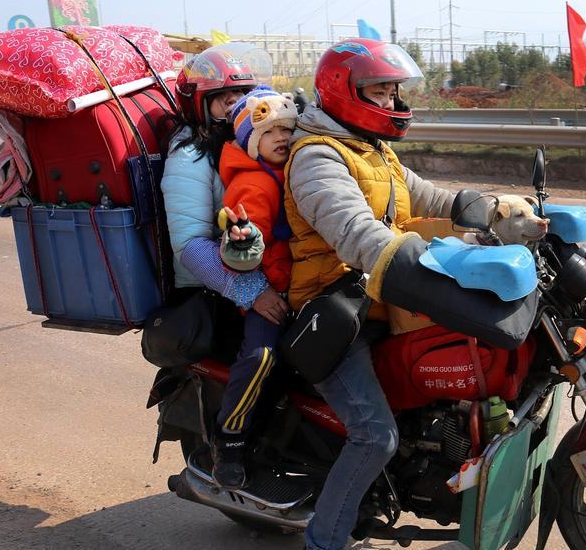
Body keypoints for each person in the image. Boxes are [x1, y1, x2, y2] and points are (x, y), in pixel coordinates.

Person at [284, 38, 458, 550]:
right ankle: (325, 541)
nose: (391, 103)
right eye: (379, 92)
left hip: (380, 297)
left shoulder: (373, 151)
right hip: (336, 311)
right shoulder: (316, 156)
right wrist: (421, 265)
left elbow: (429, 197)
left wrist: (490, 211)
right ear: (345, 93)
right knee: (374, 435)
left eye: (393, 91)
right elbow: (358, 233)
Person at [161, 43, 289, 481]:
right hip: (226, 285)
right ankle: (228, 442)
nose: (238, 105)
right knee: (262, 354)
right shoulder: (192, 155)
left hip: (288, 270)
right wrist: (251, 292)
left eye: (245, 94)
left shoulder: (268, 141)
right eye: (224, 99)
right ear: (201, 105)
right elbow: (191, 244)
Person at [209, 86, 298, 488]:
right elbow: (238, 252)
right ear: (250, 142)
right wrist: (243, 246)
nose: (281, 137)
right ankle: (228, 438)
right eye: (269, 132)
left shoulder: (292, 171)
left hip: (300, 286)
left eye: (287, 129)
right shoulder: (254, 185)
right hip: (266, 294)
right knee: (262, 357)